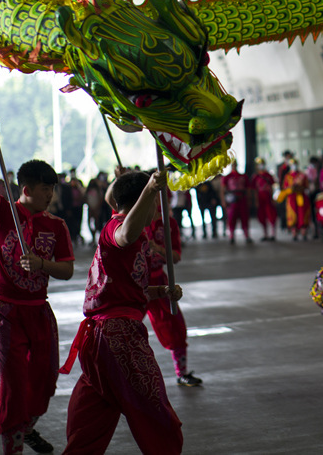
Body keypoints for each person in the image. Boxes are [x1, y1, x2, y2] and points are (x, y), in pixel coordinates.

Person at [59, 170, 184, 454]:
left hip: (100, 341)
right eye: (154, 200)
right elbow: (125, 234)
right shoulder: (116, 229)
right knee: (158, 419)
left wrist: (161, 292)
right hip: (119, 338)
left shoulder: (135, 236)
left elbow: (130, 291)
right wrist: (150, 189)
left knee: (90, 424)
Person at [0, 116, 75, 455]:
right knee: (12, 384)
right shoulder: (4, 214)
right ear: (26, 189)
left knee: (43, 382)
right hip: (5, 311)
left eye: (53, 188)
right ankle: (13, 445)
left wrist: (42, 264)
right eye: (44, 189)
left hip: (38, 311)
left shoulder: (57, 225)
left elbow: (66, 270)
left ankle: (26, 428)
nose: (50, 195)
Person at [146, 197, 203, 388]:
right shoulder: (131, 220)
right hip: (134, 284)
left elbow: (176, 257)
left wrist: (158, 249)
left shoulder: (169, 224)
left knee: (175, 325)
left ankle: (182, 372)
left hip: (160, 282)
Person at [221, 159, 251, 243]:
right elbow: (223, 190)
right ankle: (231, 235)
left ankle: (246, 235)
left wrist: (249, 199)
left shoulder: (243, 176)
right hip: (232, 200)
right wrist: (224, 201)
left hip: (242, 198)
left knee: (244, 217)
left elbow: (248, 189)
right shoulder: (227, 177)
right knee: (231, 218)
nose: (234, 165)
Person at [282, 158, 311, 241]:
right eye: (292, 164)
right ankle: (294, 232)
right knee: (293, 215)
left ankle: (303, 232)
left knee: (302, 214)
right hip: (291, 198)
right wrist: (291, 189)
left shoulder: (302, 175)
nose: (294, 166)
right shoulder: (287, 176)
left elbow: (306, 186)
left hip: (301, 197)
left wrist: (300, 188)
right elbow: (285, 187)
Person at [251, 158, 278, 241]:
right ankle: (265, 234)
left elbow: (273, 187)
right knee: (262, 217)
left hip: (268, 198)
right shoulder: (255, 176)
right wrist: (255, 200)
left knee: (271, 216)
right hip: (260, 199)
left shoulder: (268, 175)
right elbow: (254, 190)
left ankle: (273, 234)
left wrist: (273, 198)